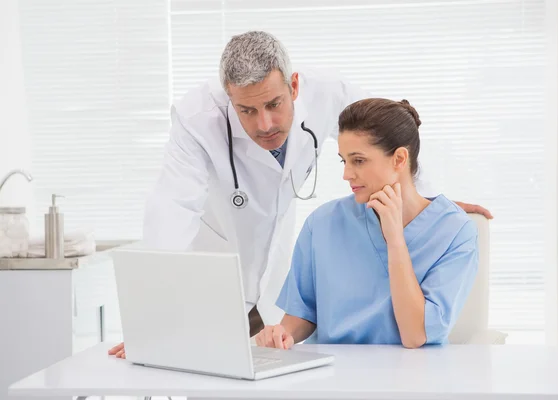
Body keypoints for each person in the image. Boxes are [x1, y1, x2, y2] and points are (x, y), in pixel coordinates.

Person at [109, 31, 491, 359]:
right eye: (246, 110)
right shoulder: (197, 119)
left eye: (274, 104)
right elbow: (171, 211)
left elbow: (390, 133)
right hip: (215, 275)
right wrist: (151, 320)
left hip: (283, 294)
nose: (265, 124)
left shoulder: (329, 93)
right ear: (228, 99)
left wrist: (426, 202)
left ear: (293, 86)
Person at [255, 98, 478, 349]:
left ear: (399, 159)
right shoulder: (322, 223)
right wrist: (281, 334)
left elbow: (416, 335)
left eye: (358, 160)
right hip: (331, 377)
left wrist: (395, 240)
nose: (346, 174)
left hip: (413, 378)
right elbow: (303, 313)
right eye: (344, 161)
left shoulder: (455, 233)